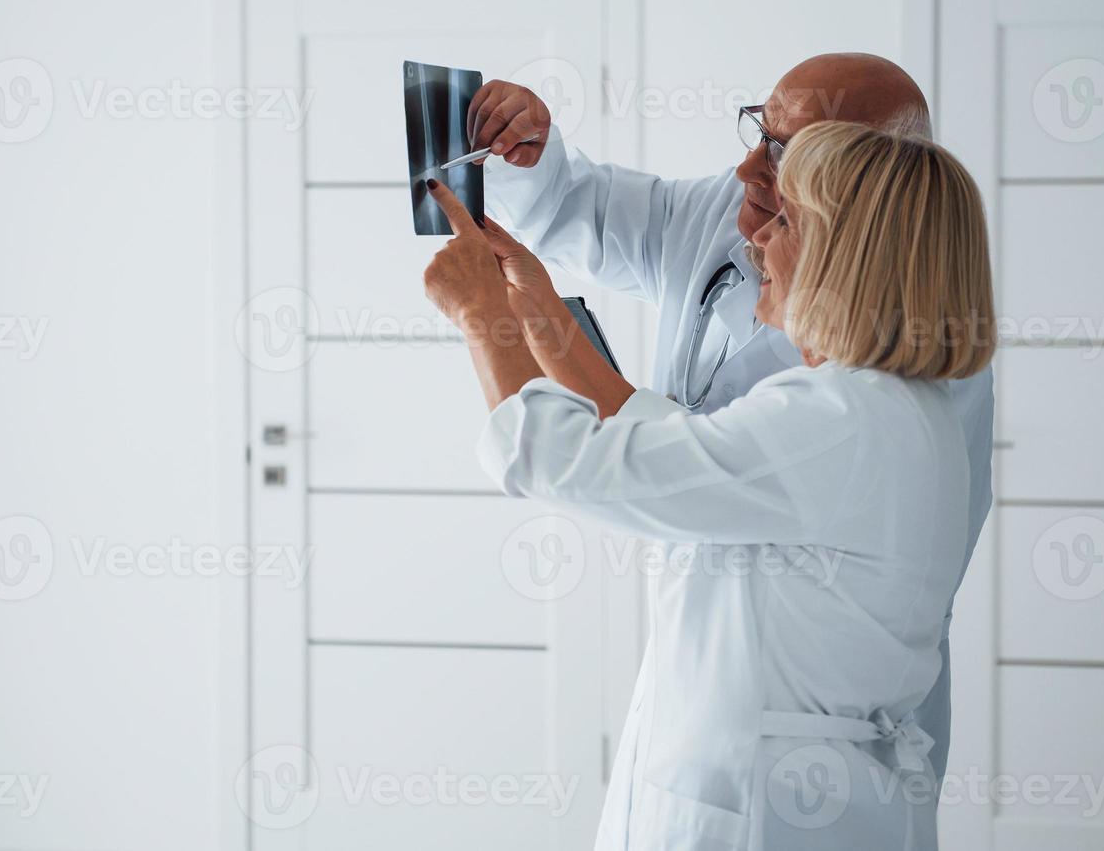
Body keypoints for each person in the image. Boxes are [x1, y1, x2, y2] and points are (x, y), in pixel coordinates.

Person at [421, 121, 996, 850]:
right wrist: (541, 318)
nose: (756, 241)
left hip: (764, 807)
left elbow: (566, 461)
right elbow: (683, 452)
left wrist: (484, 318)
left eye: (785, 221)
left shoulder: (840, 417)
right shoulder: (900, 411)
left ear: (846, 253)